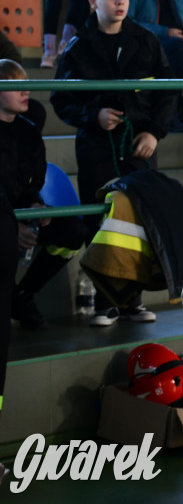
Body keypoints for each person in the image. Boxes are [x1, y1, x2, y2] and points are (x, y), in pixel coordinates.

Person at [50, 0, 173, 325]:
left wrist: (154, 133)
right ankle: (105, 301)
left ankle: (131, 300)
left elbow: (167, 92)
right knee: (101, 217)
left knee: (136, 217)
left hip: (138, 145)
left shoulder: (147, 41)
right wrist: (94, 115)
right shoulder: (78, 48)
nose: (119, 2)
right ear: (92, 2)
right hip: (96, 146)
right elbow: (61, 99)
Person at [2, 60, 88, 331]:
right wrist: (11, 226)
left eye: (26, 84)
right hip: (3, 219)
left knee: (73, 231)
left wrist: (37, 210)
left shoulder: (29, 132)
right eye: (16, 86)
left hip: (22, 214)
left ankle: (23, 295)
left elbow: (32, 184)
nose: (25, 91)